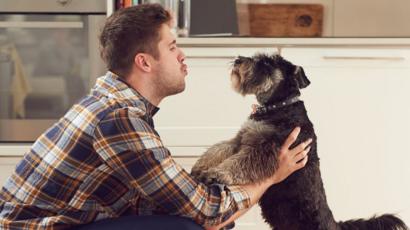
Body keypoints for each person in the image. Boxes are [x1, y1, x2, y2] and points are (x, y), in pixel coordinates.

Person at [0, 4, 311, 230]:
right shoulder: (118, 119)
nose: (182, 55)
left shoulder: (119, 104)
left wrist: (210, 215)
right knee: (187, 227)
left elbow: (166, 198)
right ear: (144, 62)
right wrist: (271, 176)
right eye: (173, 46)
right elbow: (205, 209)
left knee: (189, 218)